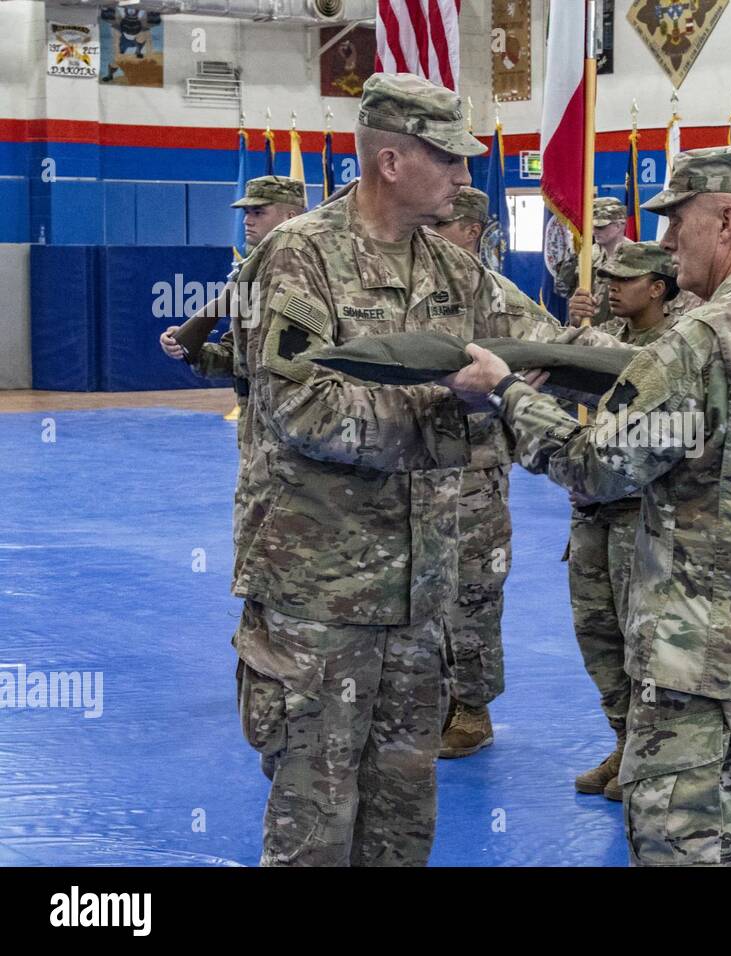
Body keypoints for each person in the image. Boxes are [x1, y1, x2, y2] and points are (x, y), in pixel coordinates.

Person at [445, 143, 731, 866]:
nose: (663, 242)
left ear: (726, 220)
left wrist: (509, 395)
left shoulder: (697, 344)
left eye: (676, 221)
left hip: (705, 677)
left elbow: (597, 468)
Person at [228, 72, 515, 867]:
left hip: (418, 601)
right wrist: (459, 421)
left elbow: (544, 344)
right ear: (392, 161)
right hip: (316, 600)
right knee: (315, 824)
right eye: (450, 158)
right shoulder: (298, 259)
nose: (466, 175)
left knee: (399, 825)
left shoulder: (455, 272)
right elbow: (305, 412)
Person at [431, 186, 562, 758]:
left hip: (474, 473)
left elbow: (550, 349)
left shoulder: (493, 294)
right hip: (412, 470)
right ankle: (428, 698)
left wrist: (509, 389)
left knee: (473, 594)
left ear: (468, 232)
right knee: (421, 591)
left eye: (442, 228)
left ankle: (472, 706)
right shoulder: (410, 289)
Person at [566, 241, 683, 802]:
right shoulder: (613, 336)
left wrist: (592, 345)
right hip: (593, 508)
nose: (610, 285)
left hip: (640, 512)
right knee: (597, 631)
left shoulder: (677, 346)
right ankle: (623, 736)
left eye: (625, 278)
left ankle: (648, 751)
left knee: (642, 638)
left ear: (658, 287)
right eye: (608, 276)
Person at [158, 175, 308, 415]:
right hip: (253, 421)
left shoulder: (313, 275)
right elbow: (235, 356)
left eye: (258, 213)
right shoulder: (248, 276)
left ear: (291, 217)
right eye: (246, 212)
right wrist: (191, 349)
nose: (247, 221)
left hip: (297, 416)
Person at [559, 196, 628, 327]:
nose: (594, 231)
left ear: (619, 225)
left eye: (600, 226)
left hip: (619, 339)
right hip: (589, 334)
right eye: (592, 225)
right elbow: (564, 289)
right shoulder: (586, 257)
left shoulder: (635, 259)